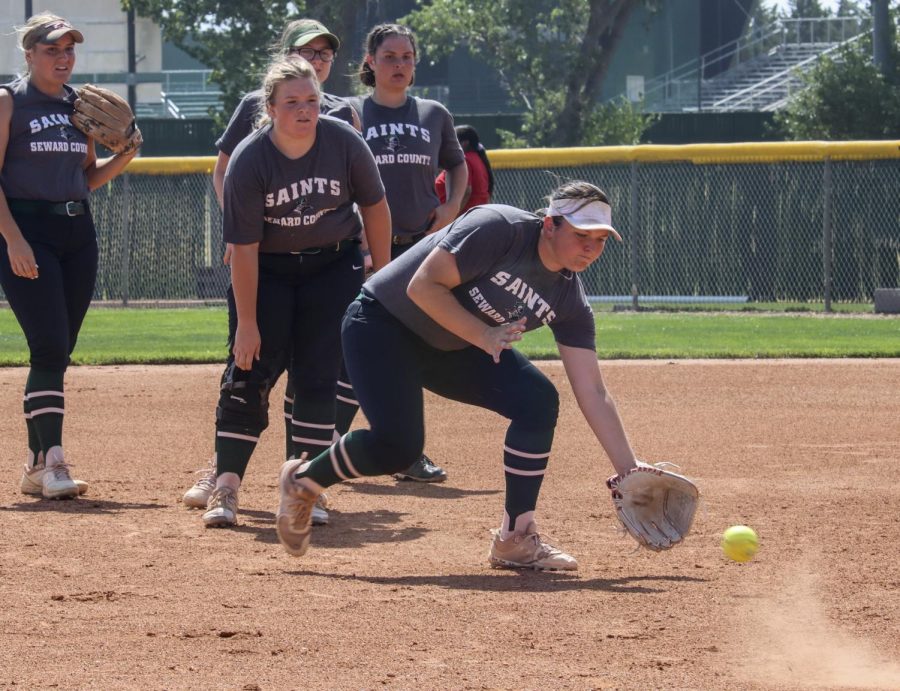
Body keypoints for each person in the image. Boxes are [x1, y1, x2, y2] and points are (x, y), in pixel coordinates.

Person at [275, 180, 641, 571]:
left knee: (537, 402)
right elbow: (423, 286)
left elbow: (593, 390)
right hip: (382, 323)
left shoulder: (569, 299)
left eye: (600, 239)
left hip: (453, 345)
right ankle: (305, 479)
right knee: (398, 447)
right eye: (581, 234)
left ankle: (514, 538)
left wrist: (629, 472)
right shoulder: (498, 227)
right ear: (550, 224)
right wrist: (484, 335)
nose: (590, 247)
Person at [200, 56, 390, 528]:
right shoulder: (251, 156)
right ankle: (225, 487)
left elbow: (376, 205)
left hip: (332, 266)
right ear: (270, 107)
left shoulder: (342, 140)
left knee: (317, 377)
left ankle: (304, 488)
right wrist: (246, 323)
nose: (305, 111)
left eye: (311, 101)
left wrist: (383, 280)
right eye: (292, 103)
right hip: (268, 270)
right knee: (248, 372)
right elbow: (243, 248)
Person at [0, 13, 139, 499]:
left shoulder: (78, 107)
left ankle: (37, 465)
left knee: (58, 351)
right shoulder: (9, 102)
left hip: (77, 230)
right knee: (50, 344)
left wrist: (125, 155)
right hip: (27, 228)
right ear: (30, 54)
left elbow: (86, 178)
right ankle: (54, 460)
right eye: (52, 49)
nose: (63, 58)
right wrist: (13, 239)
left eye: (68, 50)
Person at [344, 22, 469, 483]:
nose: (399, 65)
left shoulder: (433, 113)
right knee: (353, 345)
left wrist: (452, 205)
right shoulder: (351, 112)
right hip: (364, 249)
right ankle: (324, 450)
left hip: (418, 248)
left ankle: (406, 452)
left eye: (407, 57)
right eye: (390, 56)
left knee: (406, 349)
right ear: (370, 62)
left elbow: (457, 164)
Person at [435, 124, 494, 214]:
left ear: (465, 143)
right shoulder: (476, 158)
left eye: (453, 141)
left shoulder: (464, 160)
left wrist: (452, 218)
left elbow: (466, 191)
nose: (449, 144)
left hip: (462, 218)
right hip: (472, 216)